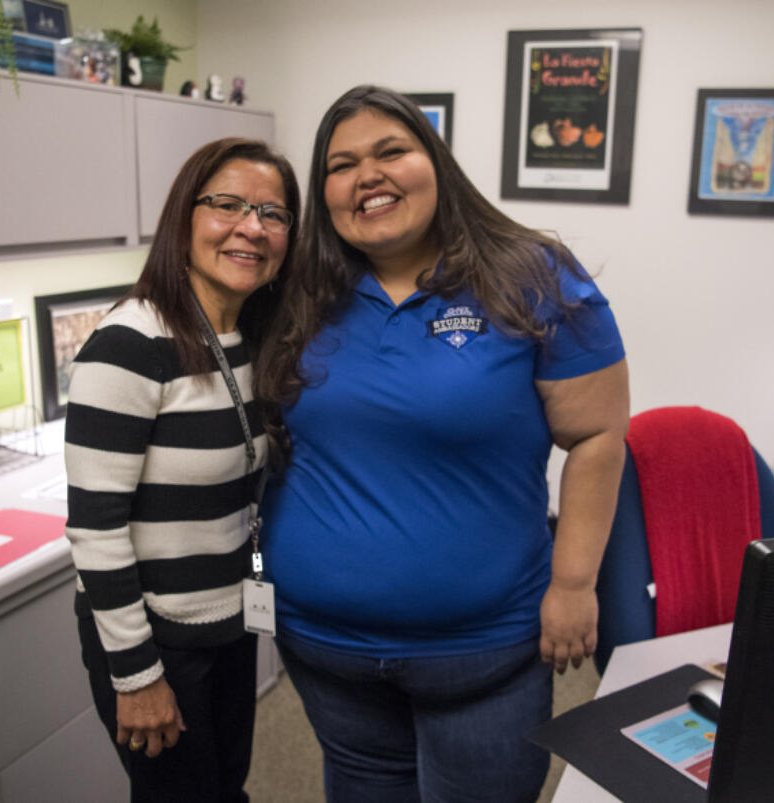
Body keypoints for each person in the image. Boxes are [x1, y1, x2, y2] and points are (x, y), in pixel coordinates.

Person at [255, 86, 630, 803]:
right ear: (324, 191)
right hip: (326, 654)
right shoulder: (297, 290)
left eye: (391, 150)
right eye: (343, 164)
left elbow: (596, 435)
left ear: (438, 163)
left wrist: (576, 583)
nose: (369, 174)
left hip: (484, 655)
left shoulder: (535, 276)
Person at [65, 137, 299, 802]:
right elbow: (95, 529)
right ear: (184, 216)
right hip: (157, 634)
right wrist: (136, 674)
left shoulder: (253, 336)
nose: (251, 227)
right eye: (227, 204)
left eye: (272, 213)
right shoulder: (130, 344)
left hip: (230, 619)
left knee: (227, 787)